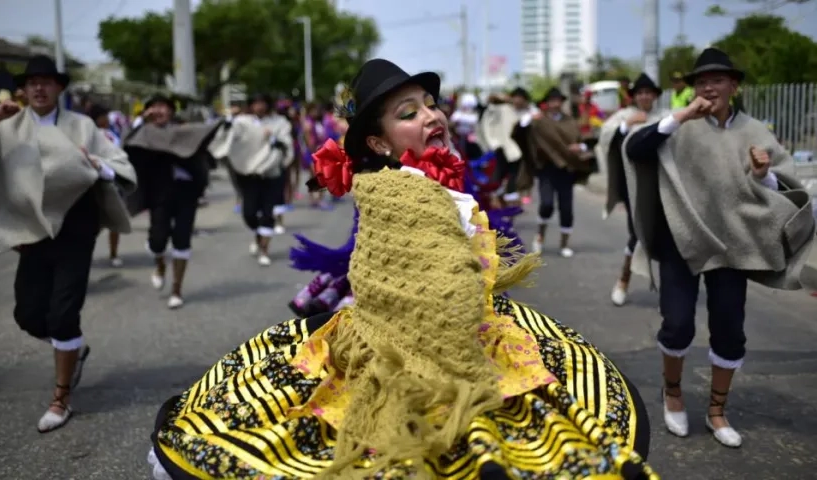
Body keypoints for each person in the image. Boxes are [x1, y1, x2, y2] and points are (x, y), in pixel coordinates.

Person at [148, 58, 657, 480]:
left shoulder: (429, 182)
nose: (431, 116)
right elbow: (417, 288)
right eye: (408, 112)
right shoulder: (397, 192)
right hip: (422, 347)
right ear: (379, 142)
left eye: (431, 105)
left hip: (463, 329)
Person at [623, 47, 815, 448]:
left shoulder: (754, 130)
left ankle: (716, 410)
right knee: (677, 325)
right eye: (701, 80)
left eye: (717, 79)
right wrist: (678, 117)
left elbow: (785, 184)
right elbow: (636, 149)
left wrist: (763, 176)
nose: (708, 86)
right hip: (682, 242)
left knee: (729, 330)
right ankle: (672, 394)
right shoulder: (678, 125)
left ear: (734, 85)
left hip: (733, 246)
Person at [0, 55, 137, 432]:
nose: (38, 88)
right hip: (32, 233)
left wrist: (96, 165)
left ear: (59, 88)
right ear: (23, 88)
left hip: (76, 230)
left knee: (63, 315)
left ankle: (60, 397)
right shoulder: (7, 126)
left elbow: (121, 166)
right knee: (29, 315)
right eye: (32, 82)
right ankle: (73, 348)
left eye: (46, 81)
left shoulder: (81, 126)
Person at [123, 94, 222, 309]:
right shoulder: (144, 132)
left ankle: (177, 289)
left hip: (186, 192)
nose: (159, 111)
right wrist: (141, 119)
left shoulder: (184, 129)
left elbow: (204, 141)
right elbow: (125, 143)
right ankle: (159, 266)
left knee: (182, 239)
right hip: (159, 193)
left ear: (171, 111)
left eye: (163, 107)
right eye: (154, 107)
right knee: (157, 240)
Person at [599, 73, 669, 306]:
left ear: (655, 96)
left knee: (668, 234)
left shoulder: (664, 116)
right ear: (634, 97)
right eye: (640, 93)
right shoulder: (624, 116)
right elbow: (606, 136)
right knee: (637, 231)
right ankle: (624, 279)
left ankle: (671, 288)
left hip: (663, 183)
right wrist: (625, 126)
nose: (645, 97)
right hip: (634, 185)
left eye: (649, 93)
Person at [213, 93, 294, 265]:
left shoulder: (279, 123)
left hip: (272, 172)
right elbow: (229, 137)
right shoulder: (243, 122)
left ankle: (264, 250)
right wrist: (228, 121)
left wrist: (273, 139)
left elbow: (286, 144)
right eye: (255, 103)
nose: (259, 107)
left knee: (267, 212)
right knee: (249, 213)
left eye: (262, 102)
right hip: (248, 174)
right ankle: (259, 235)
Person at [526, 87, 592, 257]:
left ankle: (564, 243)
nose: (555, 104)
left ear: (562, 103)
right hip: (547, 169)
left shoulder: (570, 121)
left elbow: (584, 140)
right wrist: (528, 120)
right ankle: (540, 236)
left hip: (566, 169)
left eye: (558, 101)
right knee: (546, 204)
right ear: (546, 104)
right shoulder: (539, 121)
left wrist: (581, 147)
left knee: (566, 208)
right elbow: (523, 134)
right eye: (551, 101)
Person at [89, 103, 128, 267]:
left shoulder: (112, 133)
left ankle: (114, 253)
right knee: (92, 224)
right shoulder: (90, 135)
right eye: (103, 116)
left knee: (115, 218)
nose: (107, 119)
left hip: (113, 180)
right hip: (95, 182)